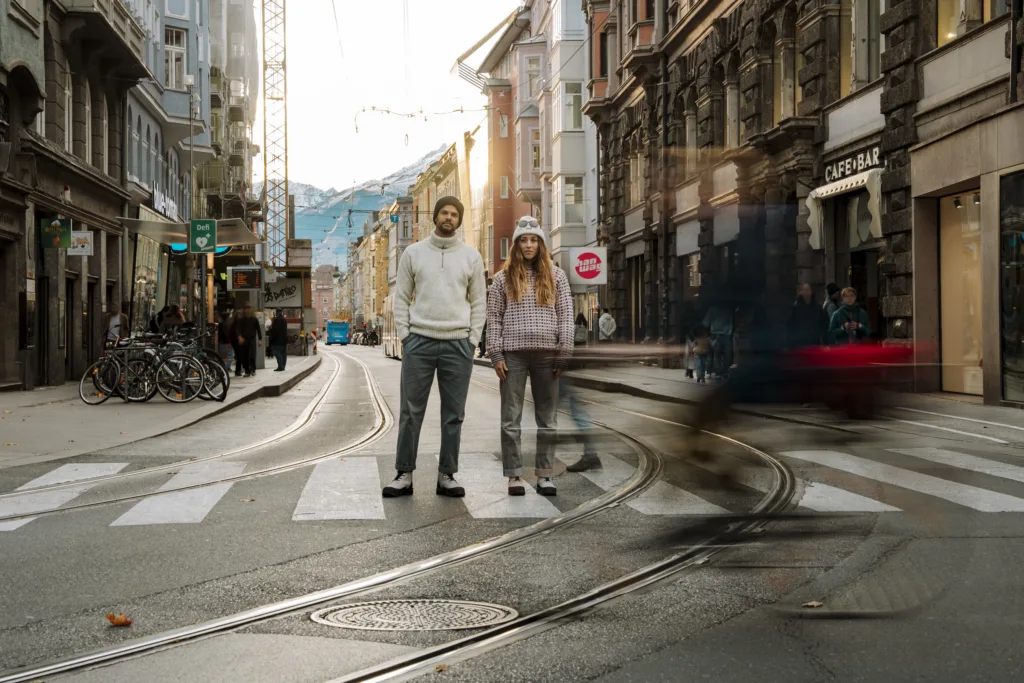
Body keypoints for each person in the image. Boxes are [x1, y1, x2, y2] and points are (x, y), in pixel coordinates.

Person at [382, 195, 486, 499]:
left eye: (454, 214)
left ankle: (447, 475)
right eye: (444, 212)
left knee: (454, 414)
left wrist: (473, 340)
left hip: (458, 344)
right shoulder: (413, 254)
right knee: (410, 412)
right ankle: (404, 473)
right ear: (435, 217)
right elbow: (401, 298)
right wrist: (406, 336)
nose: (449, 218)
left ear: (459, 219)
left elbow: (479, 301)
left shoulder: (471, 257)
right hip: (420, 342)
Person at [487, 216, 573, 496]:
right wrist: (495, 353)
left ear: (541, 243)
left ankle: (545, 474)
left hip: (548, 356)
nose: (528, 245)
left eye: (533, 239)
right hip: (513, 356)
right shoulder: (502, 279)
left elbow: (566, 317)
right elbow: (494, 319)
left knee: (547, 419)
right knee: (510, 418)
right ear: (515, 245)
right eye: (523, 240)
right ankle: (514, 475)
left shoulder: (557, 276)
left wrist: (564, 352)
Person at [787, 282, 827, 348]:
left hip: (815, 344)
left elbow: (824, 325)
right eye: (803, 290)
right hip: (799, 345)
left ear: (811, 291)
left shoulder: (818, 308)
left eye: (808, 290)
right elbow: (790, 328)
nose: (806, 292)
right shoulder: (793, 309)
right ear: (798, 292)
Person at [236, 303, 262, 377]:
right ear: (244, 310)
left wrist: (260, 339)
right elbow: (238, 329)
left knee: (252, 355)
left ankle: (253, 370)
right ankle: (247, 371)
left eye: (248, 309)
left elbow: (258, 329)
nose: (247, 311)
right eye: (246, 309)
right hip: (244, 339)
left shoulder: (254, 319)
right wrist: (239, 336)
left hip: (252, 339)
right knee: (245, 356)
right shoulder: (241, 320)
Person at [229, 310, 244, 377]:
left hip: (235, 341)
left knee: (239, 356)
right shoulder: (237, 324)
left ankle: (238, 370)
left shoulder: (233, 324)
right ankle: (238, 370)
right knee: (239, 355)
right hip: (237, 341)